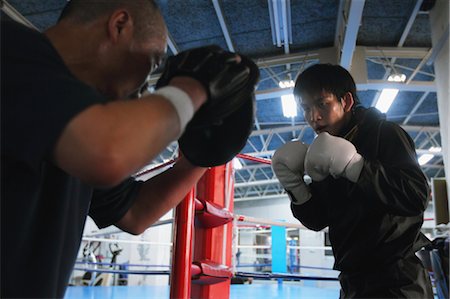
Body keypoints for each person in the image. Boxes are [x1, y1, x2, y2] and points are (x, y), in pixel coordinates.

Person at [1, 1, 258, 298]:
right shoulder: (10, 47)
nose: (143, 87)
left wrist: (205, 153)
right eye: (151, 61)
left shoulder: (78, 121)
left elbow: (136, 213)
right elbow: (107, 154)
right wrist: (195, 88)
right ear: (119, 25)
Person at [272, 64, 434, 298]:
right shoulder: (324, 150)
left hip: (397, 280)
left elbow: (416, 196)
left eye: (322, 104)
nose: (313, 116)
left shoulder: (384, 133)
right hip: (351, 280)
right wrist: (296, 187)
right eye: (305, 108)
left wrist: (356, 167)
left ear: (346, 101)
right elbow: (318, 220)